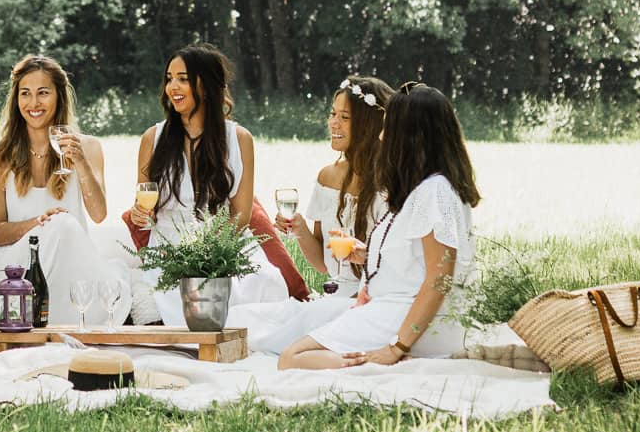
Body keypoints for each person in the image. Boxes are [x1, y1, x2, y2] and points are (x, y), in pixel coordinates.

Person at [279, 82, 481, 370]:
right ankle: (377, 360)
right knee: (296, 349)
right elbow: (417, 260)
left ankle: (384, 364)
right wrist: (367, 256)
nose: (383, 136)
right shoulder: (423, 187)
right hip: (392, 308)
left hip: (405, 315)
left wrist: (396, 346)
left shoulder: (434, 192)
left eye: (389, 129)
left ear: (411, 138)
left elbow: (440, 278)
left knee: (292, 358)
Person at [126, 44, 289, 324]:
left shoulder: (239, 139)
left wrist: (210, 251)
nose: (172, 86)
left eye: (183, 78)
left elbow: (241, 213)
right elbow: (144, 205)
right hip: (169, 248)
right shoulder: (152, 138)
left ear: (207, 85)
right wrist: (140, 214)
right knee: (163, 295)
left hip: (223, 244)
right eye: (169, 78)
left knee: (263, 283)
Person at [234, 74, 394, 354]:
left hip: (372, 303)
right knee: (242, 319)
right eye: (333, 114)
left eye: (345, 117)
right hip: (333, 298)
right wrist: (299, 229)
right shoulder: (327, 177)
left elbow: (398, 267)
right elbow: (321, 264)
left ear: (369, 125)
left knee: (273, 337)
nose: (333, 123)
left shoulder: (391, 185)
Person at [0, 55, 131, 326]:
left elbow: (98, 214)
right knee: (59, 224)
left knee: (64, 226)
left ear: (59, 96)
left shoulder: (88, 147)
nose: (33, 103)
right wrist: (39, 224)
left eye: (43, 93)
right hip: (19, 267)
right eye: (25, 94)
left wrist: (81, 163)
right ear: (16, 100)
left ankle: (66, 324)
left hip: (71, 263)